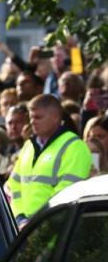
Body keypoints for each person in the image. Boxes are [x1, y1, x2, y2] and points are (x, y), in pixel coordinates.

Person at [7, 94, 92, 229]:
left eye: (38, 117)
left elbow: (67, 194)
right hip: (27, 230)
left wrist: (36, 225)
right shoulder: (29, 146)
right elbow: (13, 186)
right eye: (31, 117)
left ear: (56, 118)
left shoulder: (75, 147)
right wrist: (20, 219)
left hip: (59, 231)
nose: (33, 122)